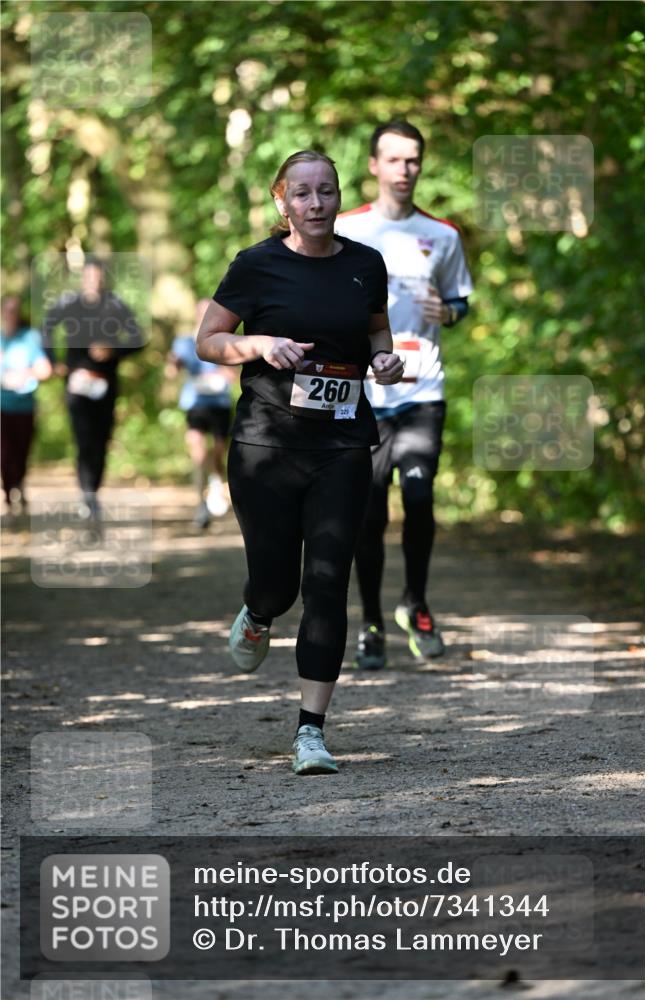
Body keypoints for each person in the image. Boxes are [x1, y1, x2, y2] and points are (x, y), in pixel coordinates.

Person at [196, 150, 403, 775]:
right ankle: (258, 611)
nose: (316, 205)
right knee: (277, 583)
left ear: (340, 198)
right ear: (281, 201)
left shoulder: (366, 265)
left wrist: (385, 360)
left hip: (341, 443)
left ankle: (311, 731)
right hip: (265, 445)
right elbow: (207, 341)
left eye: (327, 192)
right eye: (304, 194)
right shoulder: (256, 265)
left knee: (327, 584)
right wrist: (258, 343)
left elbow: (375, 333)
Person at [336, 121, 473, 669]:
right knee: (369, 515)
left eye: (413, 160)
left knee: (419, 498)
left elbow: (461, 299)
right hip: (362, 393)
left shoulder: (443, 235)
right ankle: (369, 621)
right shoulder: (345, 228)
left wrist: (452, 311)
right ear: (373, 165)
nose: (404, 170)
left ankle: (415, 602)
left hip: (423, 389)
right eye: (393, 160)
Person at [42, 256, 144, 520]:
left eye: (98, 277)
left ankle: (93, 491)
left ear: (104, 279)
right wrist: (54, 362)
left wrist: (114, 351)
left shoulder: (115, 304)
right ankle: (86, 493)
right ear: (83, 279)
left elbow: (138, 337)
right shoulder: (69, 303)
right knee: (83, 437)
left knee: (101, 438)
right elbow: (47, 327)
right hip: (76, 382)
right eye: (90, 277)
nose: (94, 282)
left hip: (105, 384)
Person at [166, 298, 235, 529]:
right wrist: (173, 364)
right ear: (196, 315)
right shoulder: (184, 342)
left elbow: (232, 375)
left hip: (220, 403)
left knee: (217, 451)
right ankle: (200, 504)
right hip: (194, 403)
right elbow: (171, 372)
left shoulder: (225, 340)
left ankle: (216, 481)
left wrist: (219, 376)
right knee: (197, 449)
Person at [0, 295, 52, 516]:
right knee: (4, 452)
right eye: (8, 310)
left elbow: (45, 369)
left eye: (15, 310)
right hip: (1, 406)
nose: (11, 315)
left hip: (24, 407)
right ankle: (10, 491)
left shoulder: (29, 338)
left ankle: (18, 485)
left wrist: (24, 375)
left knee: (21, 451)